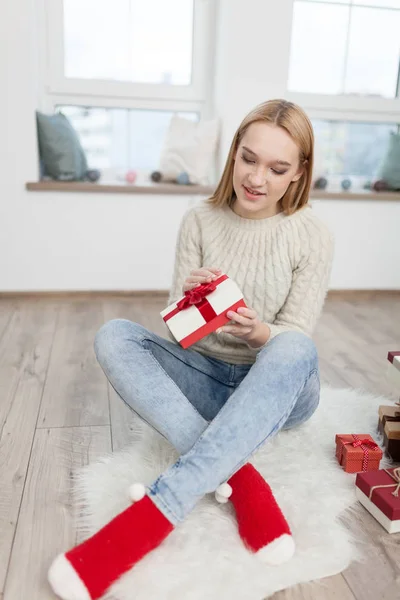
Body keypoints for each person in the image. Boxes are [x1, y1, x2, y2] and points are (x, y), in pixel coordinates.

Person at [48, 99, 334, 600]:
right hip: (208, 376)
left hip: (278, 386)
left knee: (293, 348)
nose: (257, 178)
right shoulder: (199, 220)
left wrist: (258, 333)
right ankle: (240, 476)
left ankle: (158, 511)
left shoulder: (311, 234)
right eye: (248, 158)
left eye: (277, 168)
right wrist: (190, 305)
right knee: (114, 335)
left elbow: (296, 333)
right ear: (233, 154)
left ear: (299, 174)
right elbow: (184, 339)